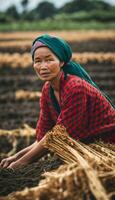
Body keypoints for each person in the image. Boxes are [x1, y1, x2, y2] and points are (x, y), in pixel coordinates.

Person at [0, 34, 115, 169]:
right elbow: (45, 134)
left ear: (61, 62)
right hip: (86, 144)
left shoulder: (75, 87)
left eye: (49, 60)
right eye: (37, 61)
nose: (43, 66)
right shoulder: (47, 89)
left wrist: (21, 163)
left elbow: (59, 135)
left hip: (107, 145)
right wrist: (16, 156)